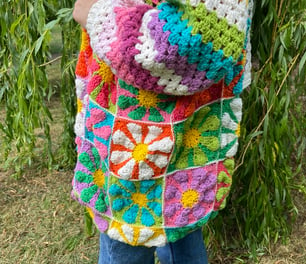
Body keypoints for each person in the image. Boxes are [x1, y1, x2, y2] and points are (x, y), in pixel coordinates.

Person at [71, 0, 253, 263]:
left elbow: (201, 42)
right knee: (178, 230)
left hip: (150, 139)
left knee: (129, 246)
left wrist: (99, 15)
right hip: (134, 130)